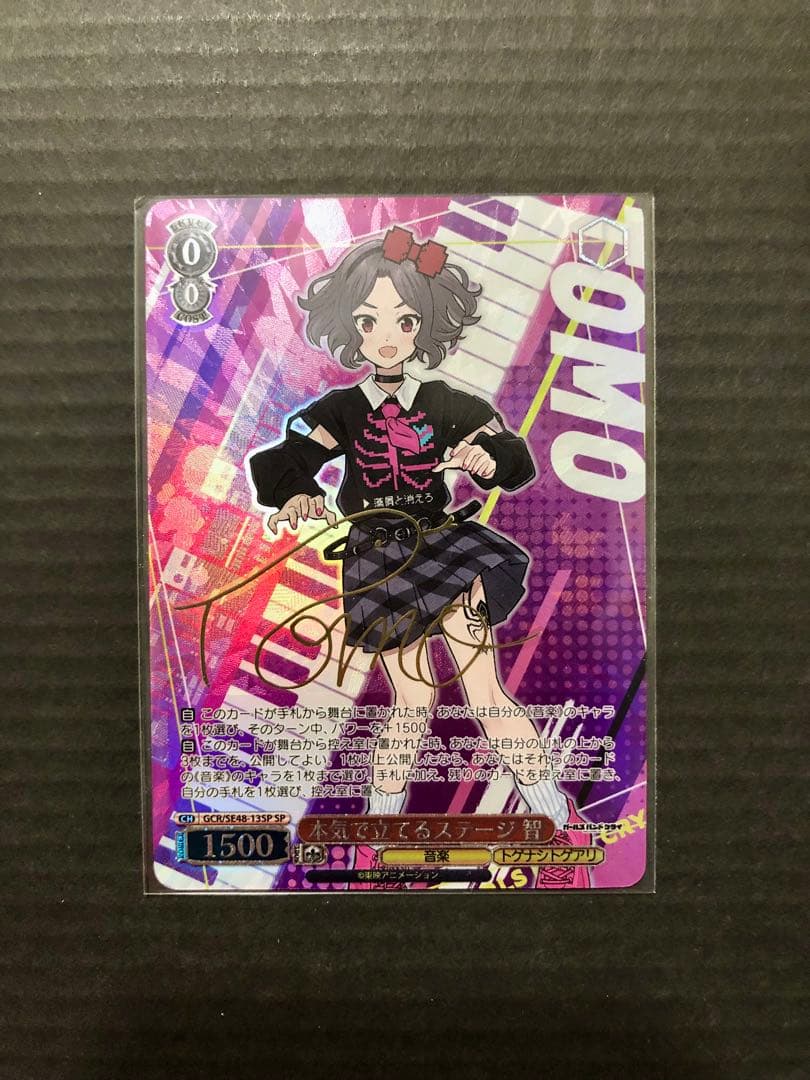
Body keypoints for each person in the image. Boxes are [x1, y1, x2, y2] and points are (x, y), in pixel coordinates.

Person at [247, 226, 568, 827]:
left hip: (444, 544)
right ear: (351, 328)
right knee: (413, 700)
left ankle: (555, 817)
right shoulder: (341, 410)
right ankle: (380, 824)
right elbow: (285, 458)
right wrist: (297, 493)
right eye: (369, 322)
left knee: (485, 691)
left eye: (405, 321)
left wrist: (485, 457)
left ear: (424, 325)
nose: (387, 337)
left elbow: (510, 453)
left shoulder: (447, 404)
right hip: (377, 561)